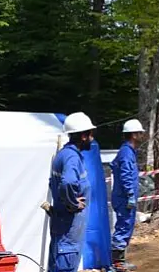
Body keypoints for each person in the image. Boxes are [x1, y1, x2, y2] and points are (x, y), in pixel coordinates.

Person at [48, 112, 95, 272]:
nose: (92, 138)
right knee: (64, 267)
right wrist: (73, 204)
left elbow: (52, 183)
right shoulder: (71, 158)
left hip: (62, 226)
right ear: (83, 136)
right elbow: (67, 182)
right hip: (68, 229)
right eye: (90, 134)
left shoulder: (64, 155)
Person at [110, 119, 145, 271]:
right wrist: (130, 193)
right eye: (140, 132)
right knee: (123, 227)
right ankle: (117, 263)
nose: (142, 135)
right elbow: (125, 175)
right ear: (133, 134)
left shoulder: (128, 152)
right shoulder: (126, 153)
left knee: (126, 227)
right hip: (124, 198)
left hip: (124, 197)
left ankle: (120, 261)